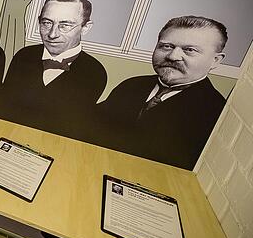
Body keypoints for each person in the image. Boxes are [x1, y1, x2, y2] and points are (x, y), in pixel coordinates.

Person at [96, 16, 228, 169]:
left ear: (216, 60)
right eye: (166, 46)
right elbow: (92, 124)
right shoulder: (132, 85)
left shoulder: (216, 113)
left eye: (190, 50)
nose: (172, 56)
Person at [0, 0, 107, 138]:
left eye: (65, 25)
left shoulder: (94, 72)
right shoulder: (24, 56)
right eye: (47, 23)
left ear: (85, 27)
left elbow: (69, 128)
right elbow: (3, 107)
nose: (52, 34)